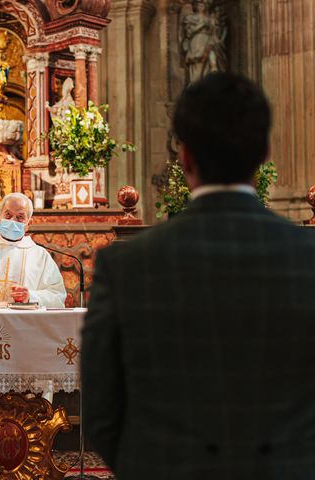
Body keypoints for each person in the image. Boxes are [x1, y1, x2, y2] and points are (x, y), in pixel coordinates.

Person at [81, 73, 315, 480]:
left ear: (184, 156)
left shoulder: (126, 265)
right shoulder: (307, 257)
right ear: (265, 153)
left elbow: (100, 409)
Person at [180, 0, 227, 83]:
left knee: (211, 56)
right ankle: (195, 88)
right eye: (198, 4)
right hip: (197, 42)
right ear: (194, 5)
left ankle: (213, 67)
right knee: (197, 71)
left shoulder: (210, 19)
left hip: (209, 41)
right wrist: (202, 24)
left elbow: (216, 32)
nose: (200, 6)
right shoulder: (190, 18)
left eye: (202, 4)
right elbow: (189, 33)